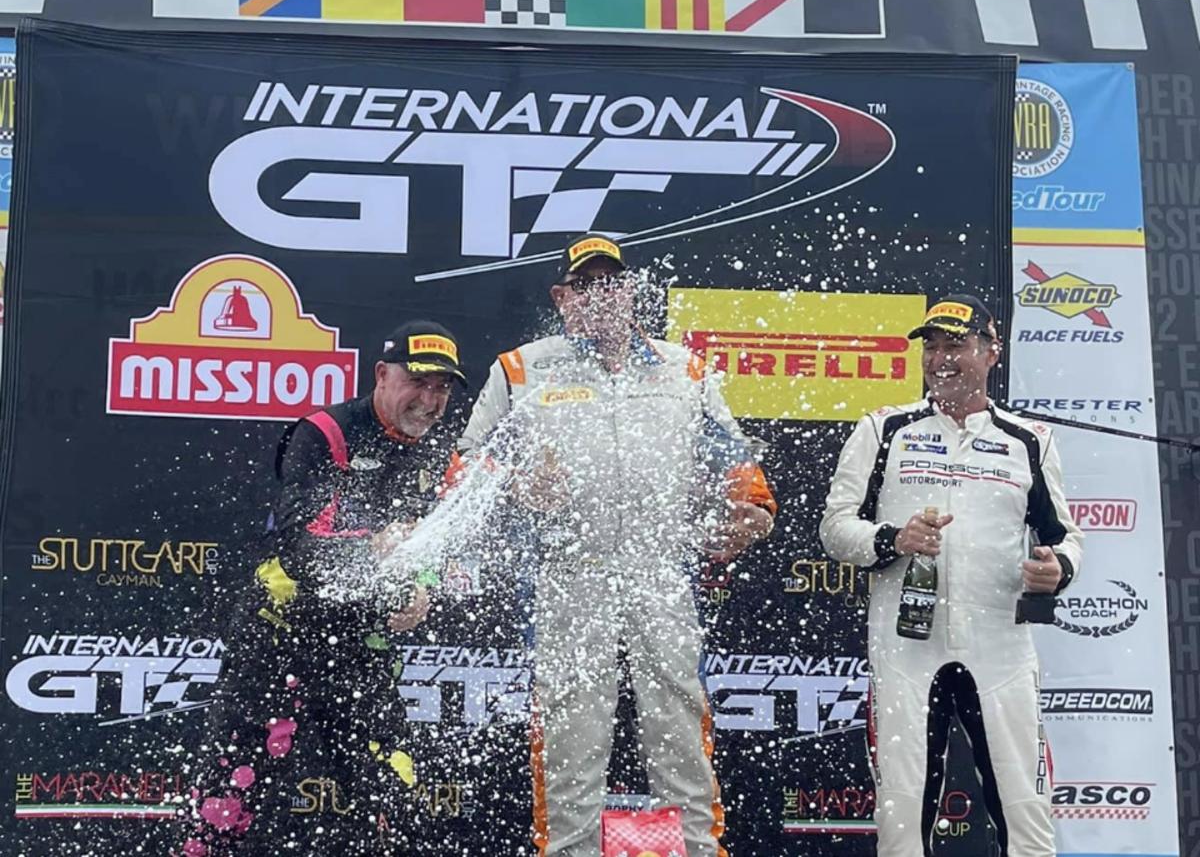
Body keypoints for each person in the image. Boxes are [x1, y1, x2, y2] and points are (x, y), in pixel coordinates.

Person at [454, 234, 777, 857]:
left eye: (613, 283)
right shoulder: (521, 368)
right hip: (567, 575)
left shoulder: (685, 368)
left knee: (681, 727)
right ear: (562, 297)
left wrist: (756, 510)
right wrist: (515, 484)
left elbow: (734, 460)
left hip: (661, 573)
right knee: (572, 737)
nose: (601, 296)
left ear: (630, 290)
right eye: (586, 286)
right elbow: (465, 465)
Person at [179, 321, 467, 857]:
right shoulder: (325, 432)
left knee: (394, 782)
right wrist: (370, 545)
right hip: (279, 632)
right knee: (231, 788)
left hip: (358, 638)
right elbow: (298, 539)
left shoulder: (438, 449)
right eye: (419, 381)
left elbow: (430, 536)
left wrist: (421, 585)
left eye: (442, 388)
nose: (429, 400)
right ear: (382, 375)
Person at [819, 294, 1084, 857]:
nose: (941, 358)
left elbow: (1065, 540)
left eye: (956, 345)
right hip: (905, 648)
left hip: (1001, 647)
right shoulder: (883, 429)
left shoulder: (1029, 440)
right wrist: (892, 540)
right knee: (902, 813)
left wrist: (1057, 569)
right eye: (932, 346)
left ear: (992, 352)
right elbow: (836, 529)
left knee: (1026, 809)